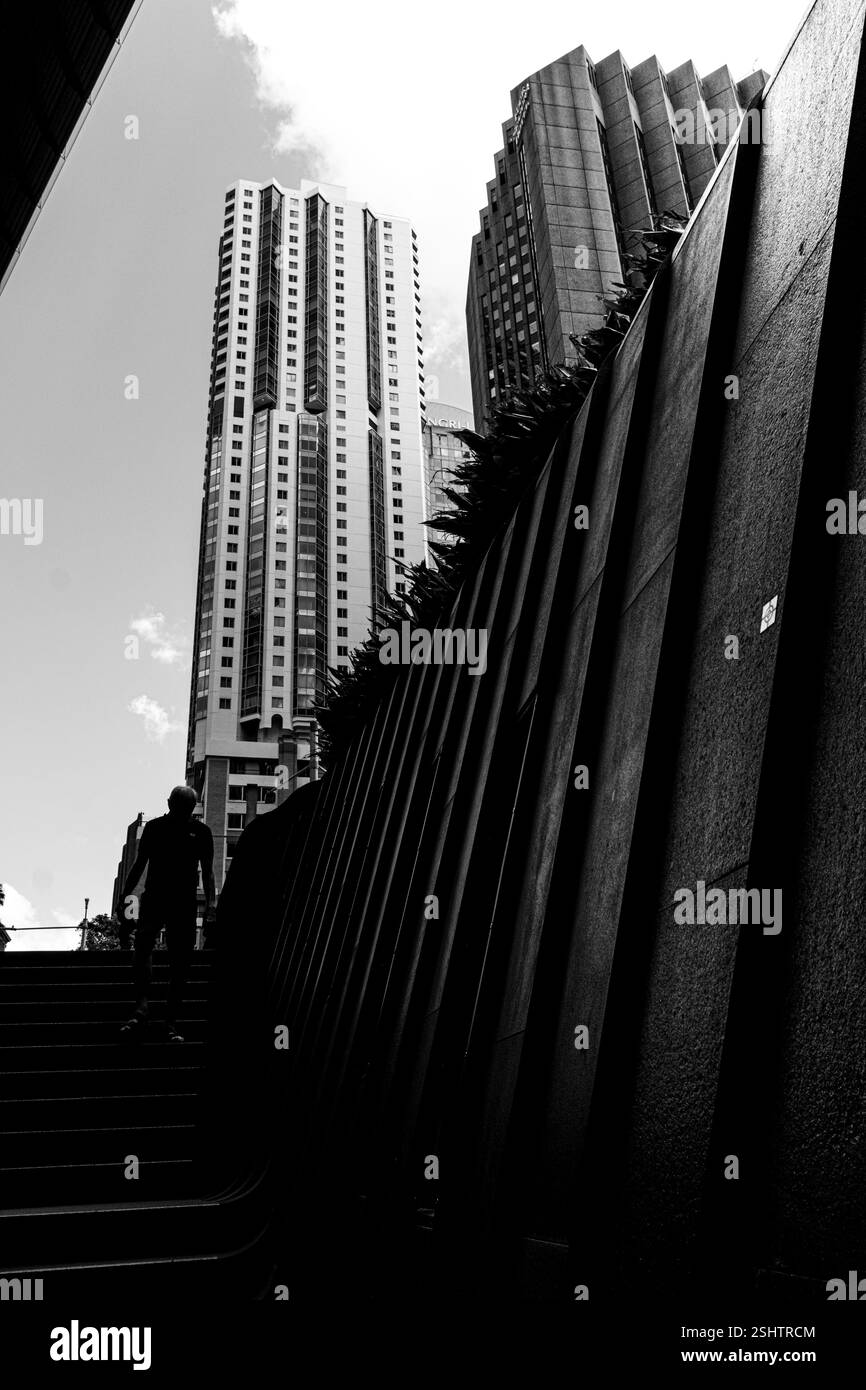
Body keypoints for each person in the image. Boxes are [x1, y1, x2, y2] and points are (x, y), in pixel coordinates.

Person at [115, 785, 214, 1044]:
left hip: (171, 899)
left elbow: (139, 865)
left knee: (156, 951)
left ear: (169, 802)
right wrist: (212, 906)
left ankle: (149, 1010)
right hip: (167, 899)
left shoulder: (186, 831)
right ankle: (158, 1015)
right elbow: (209, 873)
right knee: (165, 955)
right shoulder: (180, 830)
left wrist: (125, 897)